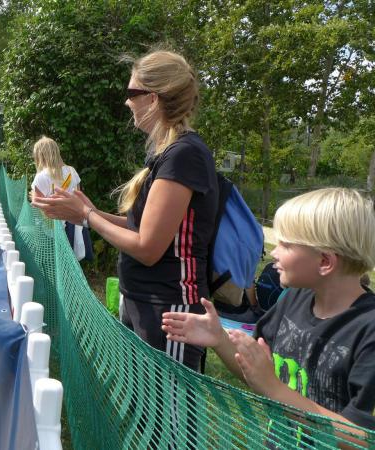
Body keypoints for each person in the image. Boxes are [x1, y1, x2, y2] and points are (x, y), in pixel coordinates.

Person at [32, 50, 218, 372]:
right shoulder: (167, 153)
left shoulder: (183, 155)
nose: (127, 102)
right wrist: (86, 212)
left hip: (170, 313)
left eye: (132, 93)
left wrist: (88, 216)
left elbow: (147, 247)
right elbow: (140, 227)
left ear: (153, 99)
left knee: (165, 405)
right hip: (143, 302)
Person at [162, 188, 375, 436]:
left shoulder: (368, 330)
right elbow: (258, 373)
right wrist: (219, 339)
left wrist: (274, 389)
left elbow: (363, 438)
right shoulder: (293, 300)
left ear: (325, 262)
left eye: (286, 244)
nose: (274, 252)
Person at [30, 136, 92, 261]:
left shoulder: (41, 176)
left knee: (54, 264)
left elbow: (37, 204)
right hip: (75, 223)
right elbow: (78, 196)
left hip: (52, 229)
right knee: (72, 263)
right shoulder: (71, 171)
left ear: (40, 156)